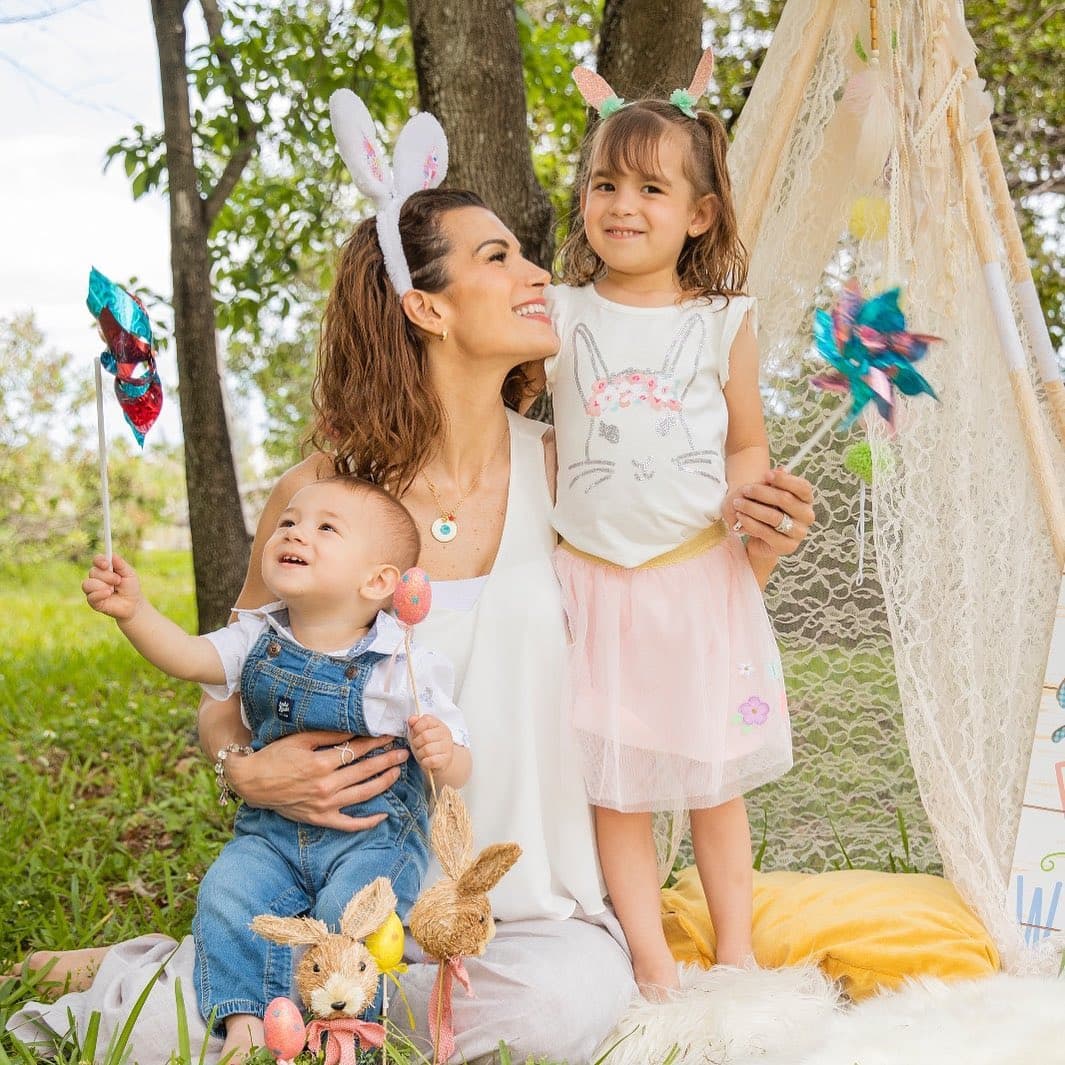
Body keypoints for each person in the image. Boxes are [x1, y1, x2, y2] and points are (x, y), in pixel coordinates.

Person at [10, 174, 815, 1065]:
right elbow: (226, 690)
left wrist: (761, 549)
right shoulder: (317, 498)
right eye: (499, 256)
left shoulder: (578, 475)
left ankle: (272, 1000)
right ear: (426, 308)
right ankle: (263, 991)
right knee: (167, 1033)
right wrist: (245, 769)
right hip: (339, 895)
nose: (539, 273)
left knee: (543, 1018)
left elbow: (674, 629)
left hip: (528, 916)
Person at [538, 61, 794, 999]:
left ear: (697, 214)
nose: (621, 205)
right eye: (604, 184)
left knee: (710, 776)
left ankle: (736, 951)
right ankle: (649, 959)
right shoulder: (558, 315)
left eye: (651, 187)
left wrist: (742, 498)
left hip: (694, 580)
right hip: (591, 583)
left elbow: (746, 442)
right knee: (615, 782)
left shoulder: (722, 320)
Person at [80, 475, 470, 1061]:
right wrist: (134, 613)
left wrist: (444, 752)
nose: (295, 533)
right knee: (229, 892)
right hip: (271, 833)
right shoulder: (256, 637)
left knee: (354, 914)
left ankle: (343, 1033)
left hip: (371, 837)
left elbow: (458, 762)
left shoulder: (398, 662)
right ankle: (244, 1022)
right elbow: (188, 658)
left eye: (325, 528)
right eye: (289, 521)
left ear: (379, 582)